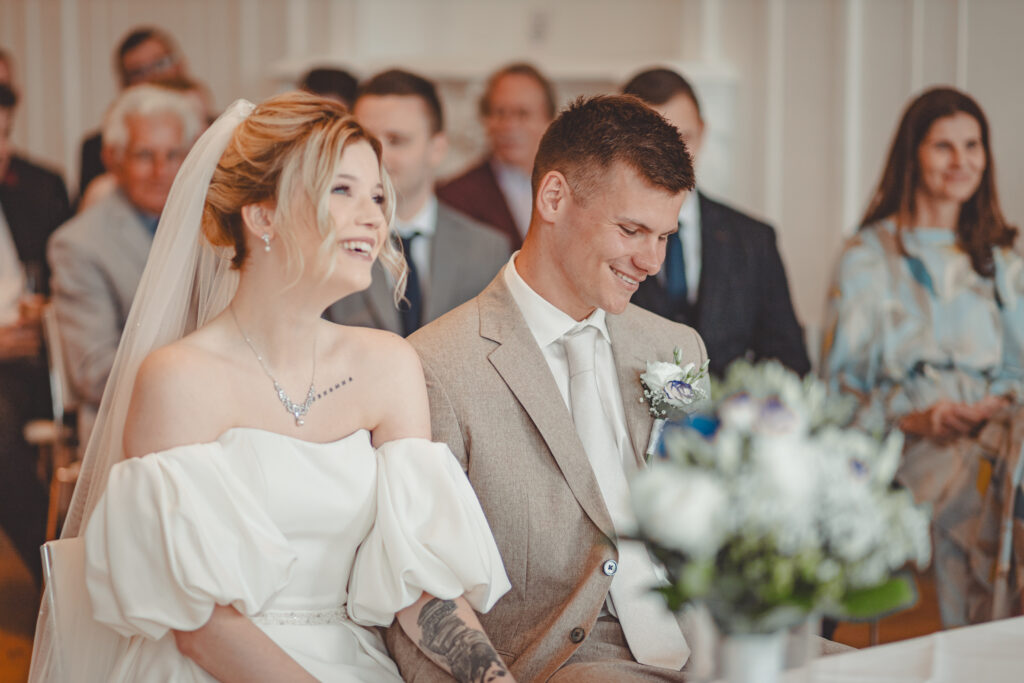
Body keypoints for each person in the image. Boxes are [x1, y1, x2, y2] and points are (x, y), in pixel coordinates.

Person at [29, 92, 511, 682]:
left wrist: (493, 677)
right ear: (262, 217)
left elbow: (421, 584)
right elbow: (203, 627)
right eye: (342, 190)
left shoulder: (388, 365)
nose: (373, 217)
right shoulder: (179, 378)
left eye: (378, 196)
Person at [386, 95, 709, 682]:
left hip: (710, 637)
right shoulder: (436, 366)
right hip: (564, 663)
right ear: (554, 197)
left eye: (665, 236)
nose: (652, 261)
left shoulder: (675, 347)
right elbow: (422, 583)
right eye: (632, 230)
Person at [822, 86, 1024, 627]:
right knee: (965, 482)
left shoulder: (1001, 259)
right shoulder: (867, 258)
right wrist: (916, 418)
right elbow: (839, 394)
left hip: (1001, 439)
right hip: (907, 448)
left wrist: (995, 405)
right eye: (944, 146)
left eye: (972, 145)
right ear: (913, 154)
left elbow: (1020, 370)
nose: (962, 161)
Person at [624, 68, 810, 377]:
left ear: (703, 133)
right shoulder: (605, 238)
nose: (670, 155)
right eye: (653, 142)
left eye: (683, 137)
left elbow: (790, 362)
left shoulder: (754, 240)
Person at [49, 84, 202, 446]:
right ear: (113, 160)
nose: (161, 170)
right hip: (129, 427)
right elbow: (94, 372)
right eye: (145, 155)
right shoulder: (79, 243)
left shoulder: (219, 223)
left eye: (174, 154)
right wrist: (206, 381)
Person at [326, 68, 510, 335]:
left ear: (437, 149)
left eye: (396, 140)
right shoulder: (328, 242)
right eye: (366, 140)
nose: (378, 155)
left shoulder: (487, 251)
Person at [0, 79, 71, 584]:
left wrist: (46, 313)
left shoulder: (32, 197)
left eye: (5, 135)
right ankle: (57, 578)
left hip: (39, 365)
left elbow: (63, 286)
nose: (1, 151)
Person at [436, 63, 555, 249]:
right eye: (500, 113)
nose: (509, 125)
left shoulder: (574, 188)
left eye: (522, 114)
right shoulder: (453, 197)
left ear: (549, 121)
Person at [78, 27, 188, 197]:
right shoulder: (100, 146)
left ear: (180, 66)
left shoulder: (219, 131)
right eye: (139, 72)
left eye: (160, 64)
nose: (154, 76)